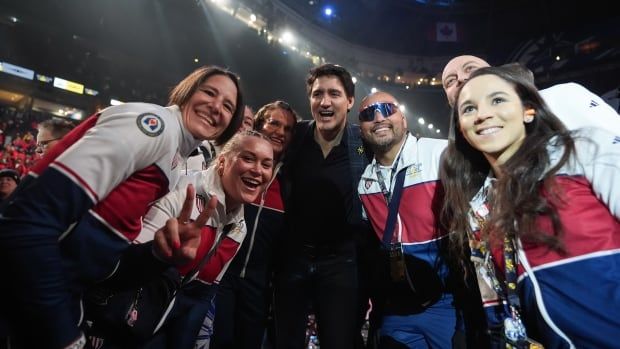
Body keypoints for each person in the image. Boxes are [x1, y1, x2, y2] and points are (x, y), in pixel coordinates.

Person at [0, 65, 244, 349]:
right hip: (23, 296)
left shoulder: (174, 161)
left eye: (228, 105)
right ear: (187, 91)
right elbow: (25, 220)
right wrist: (60, 331)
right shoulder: (155, 126)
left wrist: (157, 256)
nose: (216, 107)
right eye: (209, 92)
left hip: (50, 296)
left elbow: (99, 264)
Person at [439, 65, 620, 348]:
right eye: (469, 108)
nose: (483, 113)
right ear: (461, 129)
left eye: (497, 99)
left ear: (528, 110)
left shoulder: (584, 149)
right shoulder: (480, 204)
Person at [132, 130, 275, 348]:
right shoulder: (181, 192)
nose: (258, 170)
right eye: (248, 158)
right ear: (222, 162)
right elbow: (129, 264)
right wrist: (161, 255)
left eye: (266, 164)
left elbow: (202, 295)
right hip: (127, 324)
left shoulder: (240, 227)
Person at [275, 63, 373, 348]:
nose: (325, 101)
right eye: (318, 94)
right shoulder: (295, 137)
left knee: (340, 341)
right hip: (292, 258)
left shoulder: (363, 143)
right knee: (286, 340)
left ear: (350, 101)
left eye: (334, 94)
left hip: (342, 262)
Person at [357, 91, 465, 348]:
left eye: (387, 109)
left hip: (448, 305)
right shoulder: (365, 183)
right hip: (398, 310)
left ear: (403, 119)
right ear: (360, 129)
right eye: (368, 114)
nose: (379, 117)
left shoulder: (439, 154)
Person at [212, 100, 299, 349]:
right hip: (222, 275)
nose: (280, 132)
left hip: (259, 287)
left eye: (288, 128)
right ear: (260, 125)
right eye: (274, 123)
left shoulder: (291, 181)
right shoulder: (235, 164)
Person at [441, 55, 620, 134]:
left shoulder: (562, 96)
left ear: (495, 73)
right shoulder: (463, 153)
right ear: (450, 102)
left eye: (470, 68)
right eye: (450, 80)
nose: (462, 78)